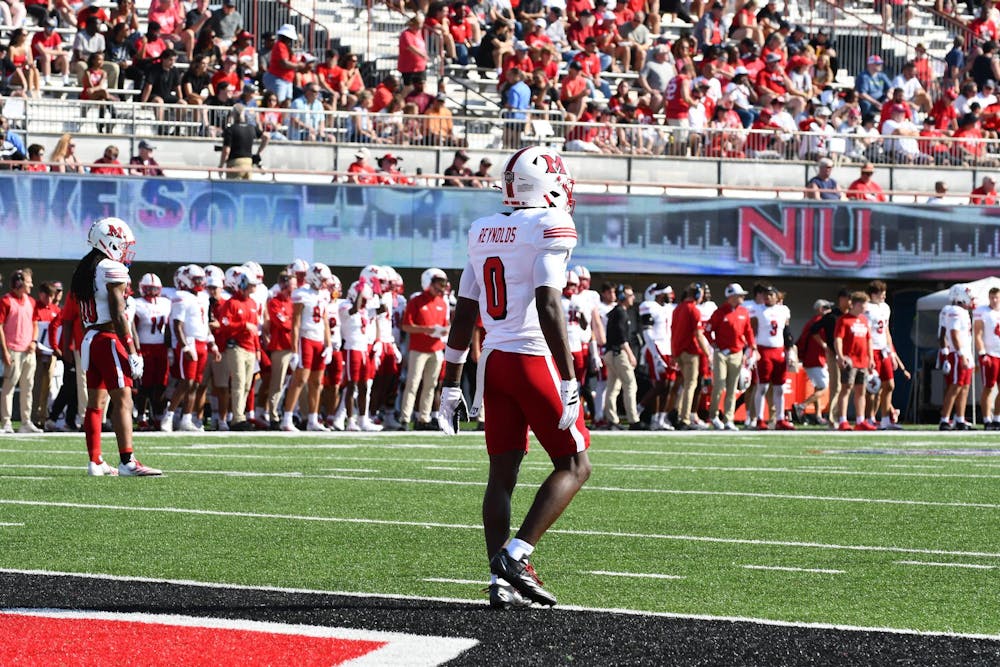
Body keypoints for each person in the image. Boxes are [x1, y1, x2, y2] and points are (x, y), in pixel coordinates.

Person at [438, 145, 589, 610]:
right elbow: (547, 304)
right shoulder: (550, 225)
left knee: (502, 474)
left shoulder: (484, 229)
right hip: (531, 360)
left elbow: (464, 314)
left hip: (495, 364)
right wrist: (568, 378)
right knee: (575, 465)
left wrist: (450, 382)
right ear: (546, 183)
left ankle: (498, 582)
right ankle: (516, 557)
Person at [69, 218, 160, 476]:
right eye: (122, 243)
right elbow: (118, 313)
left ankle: (95, 461)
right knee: (124, 399)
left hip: (91, 338)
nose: (125, 249)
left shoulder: (88, 267)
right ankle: (127, 461)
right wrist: (131, 350)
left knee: (96, 403)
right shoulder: (110, 267)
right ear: (110, 241)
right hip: (108, 339)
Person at [161, 264, 219, 432]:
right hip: (190, 342)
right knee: (186, 382)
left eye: (201, 279)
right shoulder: (181, 296)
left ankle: (186, 418)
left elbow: (204, 323)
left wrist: (212, 343)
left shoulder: (204, 297)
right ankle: (169, 416)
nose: (200, 282)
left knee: (196, 384)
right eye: (196, 279)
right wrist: (185, 346)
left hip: (202, 342)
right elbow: (177, 325)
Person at [280, 263, 333, 432]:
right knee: (300, 380)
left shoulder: (324, 294)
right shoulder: (301, 294)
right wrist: (294, 350)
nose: (325, 283)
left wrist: (329, 344)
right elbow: (295, 323)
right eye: (323, 280)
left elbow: (324, 320)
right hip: (306, 339)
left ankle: (313, 419)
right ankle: (287, 418)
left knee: (317, 382)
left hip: (319, 341)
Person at [399, 268, 449, 430]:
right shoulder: (416, 300)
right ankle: (405, 419)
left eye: (442, 285)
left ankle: (424, 418)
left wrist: (444, 330)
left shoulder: (442, 303)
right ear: (429, 284)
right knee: (412, 384)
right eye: (437, 285)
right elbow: (406, 326)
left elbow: (446, 325)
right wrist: (426, 329)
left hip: (436, 349)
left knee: (431, 385)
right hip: (419, 349)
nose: (440, 288)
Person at [215, 266, 259, 430]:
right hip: (236, 347)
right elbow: (224, 325)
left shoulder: (253, 303)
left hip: (250, 348)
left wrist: (257, 349)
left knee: (247, 384)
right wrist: (243, 325)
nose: (254, 288)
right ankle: (237, 418)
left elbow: (254, 329)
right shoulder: (231, 303)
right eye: (252, 284)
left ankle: (240, 414)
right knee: (239, 382)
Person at [707, 283, 755, 430]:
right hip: (722, 353)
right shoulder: (720, 312)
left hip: (737, 353)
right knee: (719, 386)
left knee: (733, 388)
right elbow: (707, 330)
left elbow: (748, 331)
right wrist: (714, 344)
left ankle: (729, 419)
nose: (742, 297)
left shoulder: (744, 312)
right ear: (731, 297)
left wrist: (752, 348)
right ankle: (714, 415)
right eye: (739, 295)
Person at [750, 285, 794, 430]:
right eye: (766, 295)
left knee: (779, 387)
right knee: (762, 386)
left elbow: (786, 331)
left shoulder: (783, 310)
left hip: (779, 350)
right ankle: (760, 419)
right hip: (764, 350)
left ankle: (780, 419)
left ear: (777, 297)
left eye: (771, 295)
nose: (768, 297)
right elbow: (752, 330)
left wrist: (790, 351)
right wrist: (752, 350)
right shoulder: (757, 310)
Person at [0, 268, 38, 433]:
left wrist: (34, 341)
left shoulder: (31, 301)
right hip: (13, 349)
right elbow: (0, 327)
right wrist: (5, 351)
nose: (31, 285)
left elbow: (35, 323)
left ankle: (26, 421)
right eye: (28, 282)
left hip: (29, 351)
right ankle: (7, 422)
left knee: (28, 387)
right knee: (9, 387)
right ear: (19, 283)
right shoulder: (6, 301)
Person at [863, 280, 904, 430]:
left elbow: (886, 330)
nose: (884, 295)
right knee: (872, 387)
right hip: (871, 349)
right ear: (873, 294)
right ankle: (870, 418)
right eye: (881, 293)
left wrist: (891, 352)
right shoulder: (867, 308)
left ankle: (886, 419)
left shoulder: (885, 308)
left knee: (889, 385)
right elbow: (866, 333)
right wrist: (869, 356)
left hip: (883, 350)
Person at [671, 283, 713, 429]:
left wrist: (674, 352)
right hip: (690, 352)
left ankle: (676, 411)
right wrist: (707, 353)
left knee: (685, 384)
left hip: (680, 351)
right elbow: (698, 334)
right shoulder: (693, 309)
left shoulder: (678, 308)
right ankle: (685, 418)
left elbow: (673, 332)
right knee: (690, 385)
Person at [132, 272, 171, 429]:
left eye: (154, 289)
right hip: (144, 346)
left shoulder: (166, 302)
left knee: (161, 384)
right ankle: (141, 415)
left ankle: (158, 414)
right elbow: (132, 326)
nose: (151, 292)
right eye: (148, 289)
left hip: (161, 347)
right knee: (145, 385)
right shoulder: (137, 303)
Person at [832, 291, 875, 431]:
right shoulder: (843, 320)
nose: (866, 307)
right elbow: (838, 339)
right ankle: (843, 420)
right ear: (857, 304)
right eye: (864, 304)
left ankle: (860, 420)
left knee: (861, 390)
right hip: (850, 360)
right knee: (846, 389)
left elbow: (869, 340)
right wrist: (840, 355)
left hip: (863, 361)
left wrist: (871, 358)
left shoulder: (864, 320)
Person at [603, 284, 642, 429]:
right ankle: (633, 420)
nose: (632, 298)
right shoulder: (621, 313)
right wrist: (631, 355)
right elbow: (621, 338)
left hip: (610, 353)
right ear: (622, 297)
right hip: (618, 353)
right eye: (630, 295)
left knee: (613, 387)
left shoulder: (615, 312)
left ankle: (612, 419)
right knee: (630, 385)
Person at [638, 283, 675, 431]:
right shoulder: (649, 306)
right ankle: (638, 409)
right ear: (659, 294)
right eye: (668, 293)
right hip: (656, 348)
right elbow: (647, 333)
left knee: (668, 386)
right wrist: (655, 355)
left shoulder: (666, 308)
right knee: (660, 384)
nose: (671, 296)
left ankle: (659, 419)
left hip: (667, 349)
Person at [939, 283, 975, 430]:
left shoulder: (963, 312)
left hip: (965, 352)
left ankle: (960, 418)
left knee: (965, 387)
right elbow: (952, 334)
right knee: (955, 386)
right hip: (957, 353)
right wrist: (960, 355)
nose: (971, 300)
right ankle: (944, 419)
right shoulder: (954, 310)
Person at [794, 299, 832, 426]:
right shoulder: (818, 323)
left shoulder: (811, 322)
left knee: (818, 387)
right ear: (820, 309)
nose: (829, 310)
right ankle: (801, 406)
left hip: (812, 360)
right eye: (826, 307)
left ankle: (818, 415)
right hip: (816, 359)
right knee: (824, 388)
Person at [31, 281, 62, 429]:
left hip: (51, 353)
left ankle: (42, 417)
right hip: (37, 352)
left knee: (47, 385)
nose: (49, 299)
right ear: (41, 294)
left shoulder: (56, 309)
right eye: (47, 296)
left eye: (52, 296)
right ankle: (32, 417)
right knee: (35, 385)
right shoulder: (34, 307)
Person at [219, 104, 268, 180]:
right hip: (248, 163)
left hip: (235, 163)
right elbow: (266, 137)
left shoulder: (230, 129)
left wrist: (221, 166)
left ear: (233, 115)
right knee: (246, 190)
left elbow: (226, 150)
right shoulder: (251, 128)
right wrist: (258, 152)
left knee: (234, 190)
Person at [974, 287, 1000, 430]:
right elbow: (978, 333)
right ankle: (987, 419)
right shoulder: (983, 311)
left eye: (996, 297)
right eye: (992, 297)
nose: (994, 300)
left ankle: (997, 418)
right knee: (989, 387)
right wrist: (982, 353)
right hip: (990, 354)